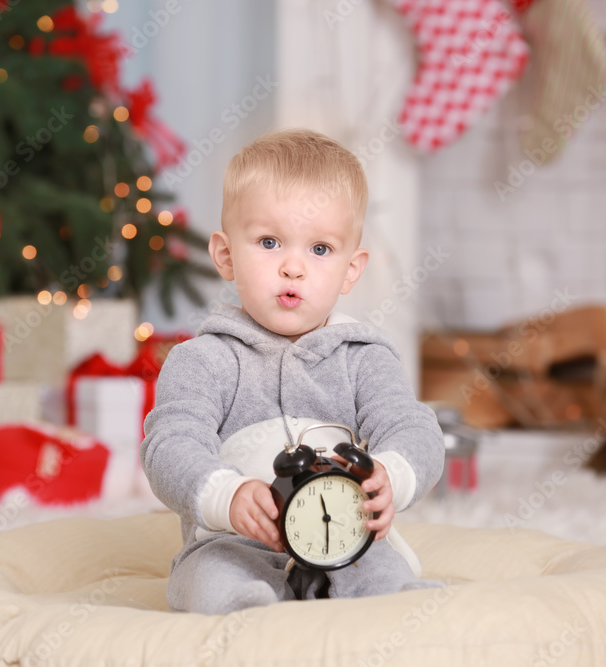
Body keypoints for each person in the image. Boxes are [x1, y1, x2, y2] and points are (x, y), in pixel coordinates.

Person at [140, 128, 445, 614]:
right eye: (269, 242)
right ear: (225, 256)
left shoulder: (363, 357)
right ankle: (252, 617)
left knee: (382, 574)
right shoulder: (204, 359)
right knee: (210, 578)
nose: (293, 267)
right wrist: (228, 493)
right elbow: (169, 443)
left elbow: (412, 427)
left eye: (319, 249)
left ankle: (401, 615)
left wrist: (392, 474)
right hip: (235, 541)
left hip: (344, 538)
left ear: (351, 268)